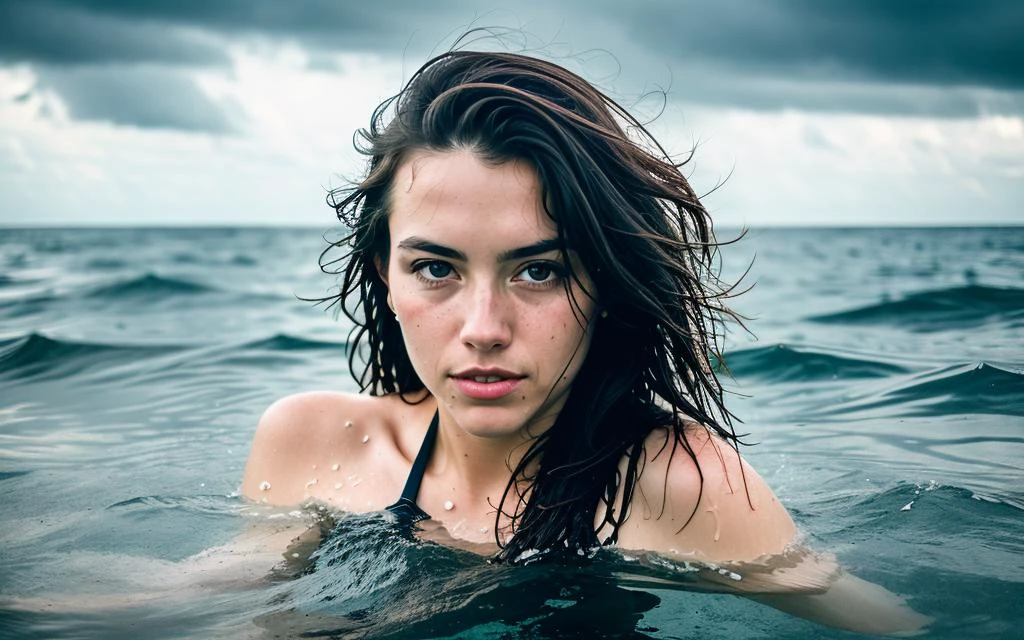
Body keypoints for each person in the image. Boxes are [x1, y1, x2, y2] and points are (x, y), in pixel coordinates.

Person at [239, 45, 926, 634]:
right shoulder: (312, 443)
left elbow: (900, 627)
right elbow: (223, 605)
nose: (483, 328)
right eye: (436, 268)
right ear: (385, 276)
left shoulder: (675, 485)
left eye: (538, 270)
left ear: (604, 282)